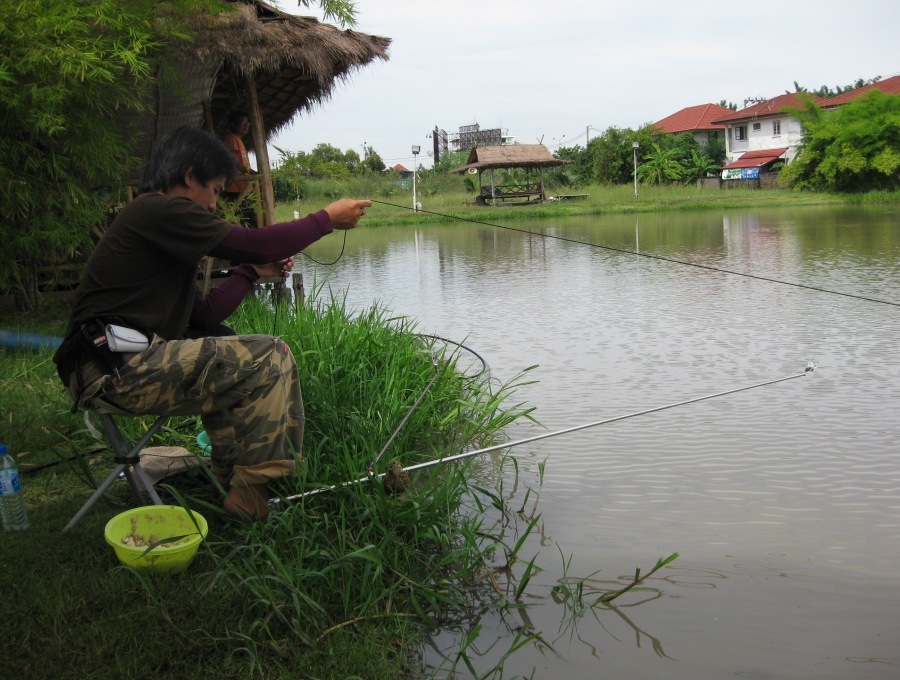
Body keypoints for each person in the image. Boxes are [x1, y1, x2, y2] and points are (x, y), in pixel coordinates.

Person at [53, 125, 371, 519]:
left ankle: (227, 476)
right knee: (270, 356)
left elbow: (202, 317)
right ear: (189, 177)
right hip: (110, 369)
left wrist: (250, 273)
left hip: (111, 365)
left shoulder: (160, 231)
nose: (214, 205)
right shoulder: (159, 208)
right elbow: (259, 243)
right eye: (216, 190)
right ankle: (249, 495)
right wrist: (326, 219)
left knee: (224, 341)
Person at [221, 110, 258, 226]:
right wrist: (252, 172)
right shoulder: (232, 139)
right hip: (236, 190)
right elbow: (233, 162)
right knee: (248, 223)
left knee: (247, 222)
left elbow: (241, 164)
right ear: (233, 124)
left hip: (243, 189)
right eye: (243, 122)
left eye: (248, 122)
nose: (247, 125)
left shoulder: (239, 141)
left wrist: (254, 173)